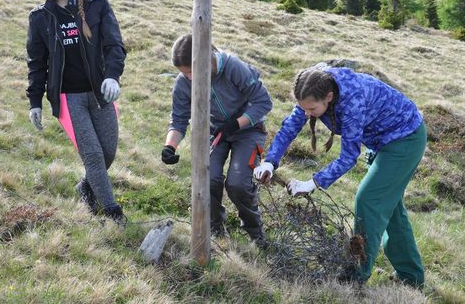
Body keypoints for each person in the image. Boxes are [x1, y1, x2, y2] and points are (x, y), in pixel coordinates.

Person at [254, 65, 426, 287]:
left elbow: (348, 156)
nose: (307, 114)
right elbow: (290, 127)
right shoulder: (312, 87)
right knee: (389, 208)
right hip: (382, 140)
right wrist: (270, 161)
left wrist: (313, 182)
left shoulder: (352, 99)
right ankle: (411, 277)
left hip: (405, 139)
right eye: (303, 108)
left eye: (312, 109)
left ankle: (356, 274)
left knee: (369, 200)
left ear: (329, 97)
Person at [26, 0, 127, 225]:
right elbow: (36, 63)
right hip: (68, 98)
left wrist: (113, 77)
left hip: (100, 93)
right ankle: (112, 213)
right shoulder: (39, 18)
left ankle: (86, 187)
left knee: (107, 154)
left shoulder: (98, 6)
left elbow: (114, 47)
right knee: (93, 155)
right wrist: (35, 101)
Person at [162, 34, 272, 246]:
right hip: (213, 133)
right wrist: (170, 146)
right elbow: (178, 118)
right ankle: (215, 229)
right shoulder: (184, 82)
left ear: (205, 60)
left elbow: (263, 102)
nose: (189, 78)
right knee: (207, 179)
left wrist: (236, 123)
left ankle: (255, 233)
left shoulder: (233, 67)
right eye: (184, 73)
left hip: (248, 130)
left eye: (190, 71)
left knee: (238, 184)